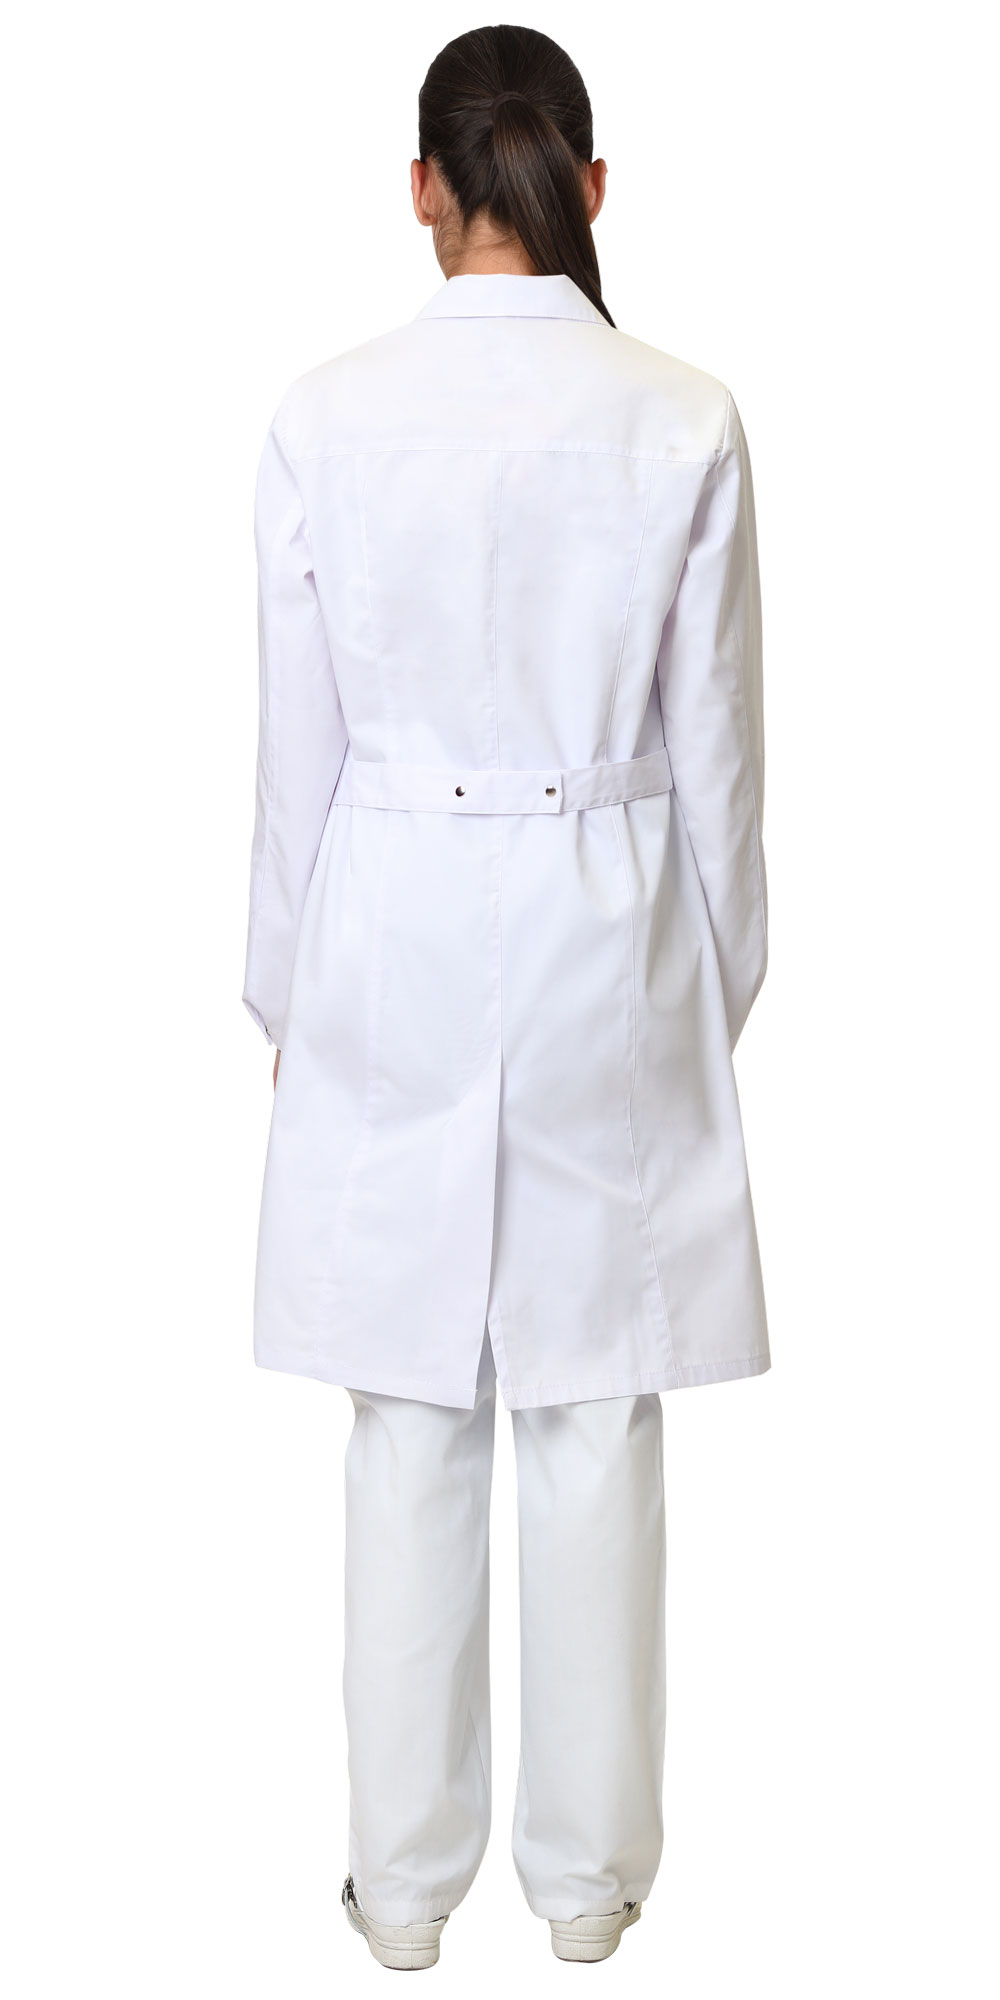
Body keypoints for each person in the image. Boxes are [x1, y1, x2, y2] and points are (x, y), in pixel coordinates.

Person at [242, 21, 770, 1972]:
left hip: (386, 917)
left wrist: (284, 993)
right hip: (604, 919)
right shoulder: (681, 415)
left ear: (420, 188)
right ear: (589, 184)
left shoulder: (322, 416)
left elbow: (293, 759)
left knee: (407, 1412)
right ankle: (589, 1885)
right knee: (593, 1408)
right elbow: (719, 762)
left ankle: (400, 1889)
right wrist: (706, 993)